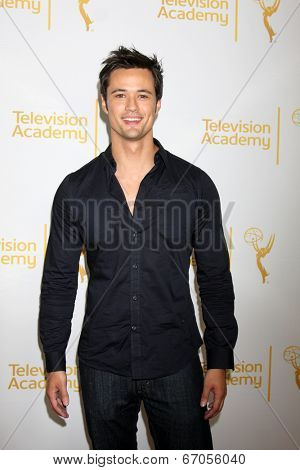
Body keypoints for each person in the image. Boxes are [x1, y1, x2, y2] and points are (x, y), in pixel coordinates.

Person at [38, 45, 238, 450]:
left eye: (143, 95)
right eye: (120, 94)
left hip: (177, 365)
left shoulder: (195, 185)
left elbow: (215, 278)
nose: (132, 106)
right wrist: (53, 362)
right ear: (103, 104)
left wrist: (218, 360)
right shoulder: (75, 190)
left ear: (158, 104)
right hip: (102, 368)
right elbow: (59, 281)